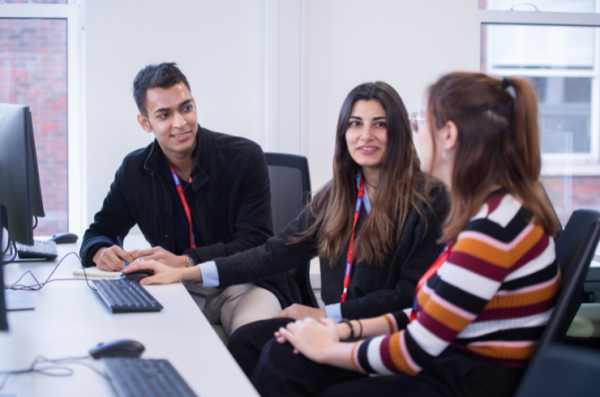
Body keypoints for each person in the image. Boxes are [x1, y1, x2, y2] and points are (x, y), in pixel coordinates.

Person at [248, 72, 562, 397]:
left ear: (449, 135)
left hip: (457, 377)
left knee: (291, 363)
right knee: (283, 355)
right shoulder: (497, 213)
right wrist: (344, 328)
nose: (416, 132)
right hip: (447, 362)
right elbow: (424, 313)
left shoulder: (492, 232)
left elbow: (414, 350)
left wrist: (327, 347)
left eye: (421, 120)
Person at [123, 81, 450, 367]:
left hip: (385, 334)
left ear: (398, 131)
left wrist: (325, 316)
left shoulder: (429, 200)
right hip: (335, 326)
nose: (366, 135)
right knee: (248, 342)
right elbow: (271, 254)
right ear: (344, 133)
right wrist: (184, 272)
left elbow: (409, 296)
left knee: (279, 363)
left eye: (379, 124)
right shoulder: (336, 197)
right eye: (355, 124)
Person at [80, 62, 287, 336]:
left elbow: (256, 242)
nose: (180, 122)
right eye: (164, 115)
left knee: (254, 339)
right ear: (145, 122)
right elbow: (98, 233)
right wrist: (100, 251)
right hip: (174, 287)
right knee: (139, 335)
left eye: (186, 108)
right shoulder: (134, 170)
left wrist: (187, 261)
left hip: (240, 283)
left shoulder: (244, 157)